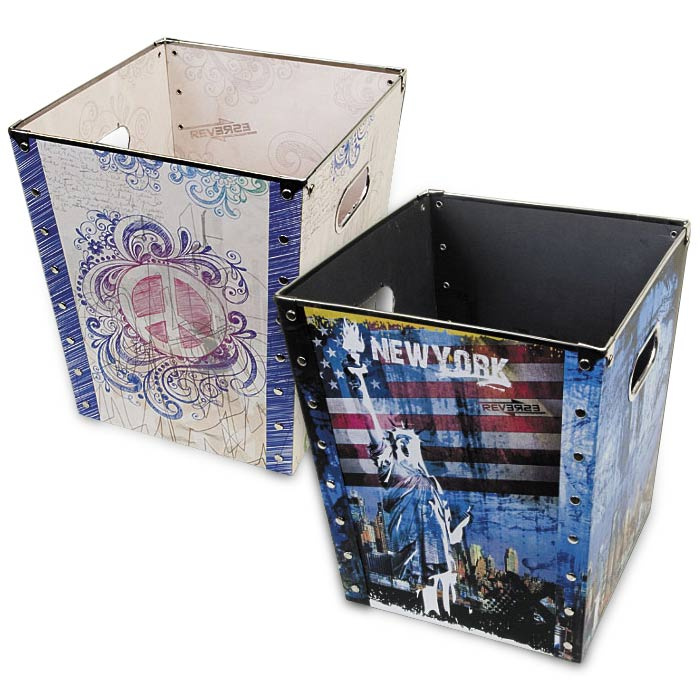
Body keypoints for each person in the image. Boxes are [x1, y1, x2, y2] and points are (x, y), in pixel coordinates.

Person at [340, 320, 472, 615]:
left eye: (409, 438)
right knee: (424, 597)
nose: (406, 440)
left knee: (442, 592)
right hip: (412, 556)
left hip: (439, 559)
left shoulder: (431, 483)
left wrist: (459, 526)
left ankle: (443, 614)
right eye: (400, 439)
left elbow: (448, 531)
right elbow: (370, 419)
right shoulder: (391, 468)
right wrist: (356, 368)